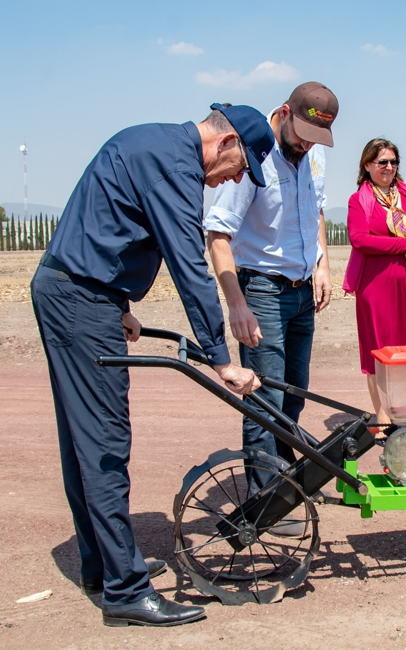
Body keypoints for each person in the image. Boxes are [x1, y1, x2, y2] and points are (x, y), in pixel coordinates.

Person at [30, 104, 272, 626]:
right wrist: (221, 359)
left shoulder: (156, 145)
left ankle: (105, 566)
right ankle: (124, 591)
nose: (233, 180)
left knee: (85, 443)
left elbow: (102, 226)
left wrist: (118, 305)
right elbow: (189, 264)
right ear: (228, 142)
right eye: (239, 169)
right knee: (104, 444)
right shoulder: (174, 165)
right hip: (79, 299)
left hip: (82, 293)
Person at [205, 82, 338, 499]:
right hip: (262, 290)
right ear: (284, 113)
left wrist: (323, 265)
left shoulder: (309, 149)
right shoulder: (251, 152)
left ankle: (286, 477)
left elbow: (315, 208)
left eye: (316, 139)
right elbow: (218, 234)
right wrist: (237, 304)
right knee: (265, 400)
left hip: (302, 292)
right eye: (302, 135)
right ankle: (266, 497)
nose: (306, 145)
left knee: (292, 393)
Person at [344, 138, 406, 422]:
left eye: (394, 162)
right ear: (367, 165)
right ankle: (385, 418)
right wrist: (405, 244)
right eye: (382, 162)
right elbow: (359, 239)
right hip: (376, 287)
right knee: (379, 353)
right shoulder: (358, 199)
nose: (389, 167)